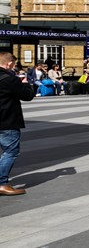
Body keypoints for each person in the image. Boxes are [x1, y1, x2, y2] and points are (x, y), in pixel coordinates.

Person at [0, 52, 37, 195]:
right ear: (9, 64)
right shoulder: (9, 79)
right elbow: (27, 96)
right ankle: (2, 183)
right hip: (6, 120)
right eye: (13, 64)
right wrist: (26, 83)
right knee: (10, 152)